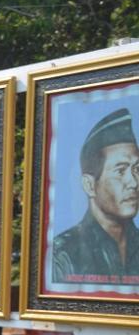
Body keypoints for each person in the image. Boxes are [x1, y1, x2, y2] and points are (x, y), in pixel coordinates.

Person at [52, 107, 139, 283]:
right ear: (90, 185)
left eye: (136, 169)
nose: (134, 182)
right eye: (120, 171)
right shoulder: (63, 256)